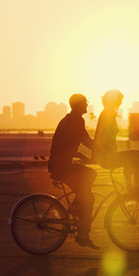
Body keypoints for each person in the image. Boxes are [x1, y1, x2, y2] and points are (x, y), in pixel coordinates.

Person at [48, 94, 99, 250]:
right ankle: (83, 234)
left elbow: (66, 144)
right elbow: (86, 140)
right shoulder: (76, 120)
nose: (86, 105)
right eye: (84, 103)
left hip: (60, 164)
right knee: (88, 198)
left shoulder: (69, 119)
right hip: (62, 166)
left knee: (90, 177)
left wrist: (80, 155)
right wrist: (101, 151)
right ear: (77, 106)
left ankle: (77, 207)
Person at [93, 89, 139, 194]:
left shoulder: (107, 113)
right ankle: (134, 186)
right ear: (113, 100)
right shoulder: (108, 114)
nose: (120, 102)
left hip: (106, 155)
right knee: (137, 156)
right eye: (119, 100)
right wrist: (105, 152)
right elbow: (102, 136)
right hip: (107, 156)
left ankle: (131, 186)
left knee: (131, 158)